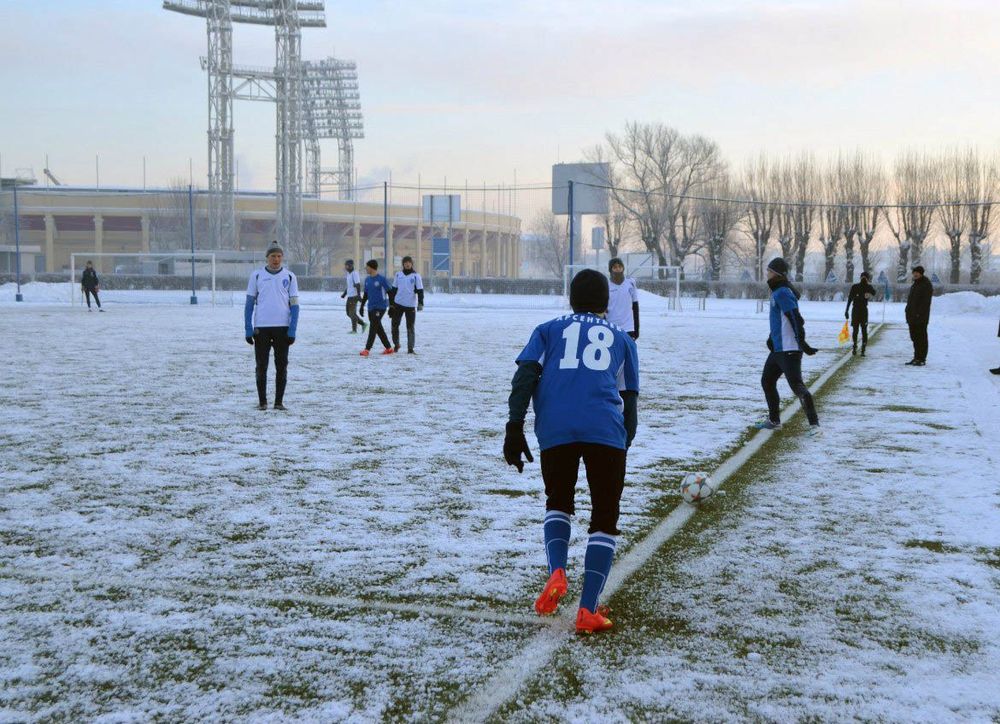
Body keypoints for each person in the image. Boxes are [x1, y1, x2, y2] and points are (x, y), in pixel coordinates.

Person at [504, 269, 639, 635]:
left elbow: (525, 376)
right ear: (606, 302)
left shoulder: (547, 329)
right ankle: (588, 610)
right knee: (604, 515)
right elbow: (630, 402)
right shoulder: (623, 340)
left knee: (558, 501)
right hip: (604, 429)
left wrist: (514, 425)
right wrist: (622, 443)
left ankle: (557, 573)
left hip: (556, 427)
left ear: (570, 298)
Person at [757, 258, 820, 435]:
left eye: (769, 271)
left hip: (789, 349)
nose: (766, 274)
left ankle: (815, 425)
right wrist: (772, 338)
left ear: (776, 274)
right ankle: (774, 420)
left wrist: (802, 343)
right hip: (778, 349)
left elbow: (794, 318)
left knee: (797, 387)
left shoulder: (783, 292)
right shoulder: (777, 291)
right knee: (767, 381)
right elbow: (780, 320)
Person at [244, 241, 299, 411]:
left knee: (281, 366)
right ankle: (262, 402)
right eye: (273, 256)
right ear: (267, 258)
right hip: (262, 328)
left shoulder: (290, 276)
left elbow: (295, 306)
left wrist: (292, 329)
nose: (276, 259)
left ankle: (278, 402)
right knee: (261, 366)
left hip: (282, 328)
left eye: (279, 256)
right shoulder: (257, 276)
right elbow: (249, 304)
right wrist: (248, 328)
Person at [389, 256, 424, 354]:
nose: (407, 264)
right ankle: (396, 344)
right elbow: (393, 290)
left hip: (410, 305)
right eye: (405, 262)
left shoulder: (416, 276)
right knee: (394, 325)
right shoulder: (398, 275)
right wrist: (391, 305)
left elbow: (420, 291)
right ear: (403, 264)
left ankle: (410, 348)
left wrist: (421, 302)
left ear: (412, 264)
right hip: (398, 304)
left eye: (409, 262)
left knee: (410, 327)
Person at [359, 259, 394, 357]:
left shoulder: (382, 279)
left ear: (371, 267)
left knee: (373, 327)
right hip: (371, 307)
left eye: (367, 267)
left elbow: (390, 293)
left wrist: (391, 306)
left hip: (380, 307)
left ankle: (367, 349)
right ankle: (389, 348)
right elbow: (366, 294)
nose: (366, 268)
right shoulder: (367, 279)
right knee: (378, 328)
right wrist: (362, 306)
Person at [905, 266, 933, 366]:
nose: (915, 274)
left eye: (917, 273)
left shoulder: (926, 284)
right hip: (912, 317)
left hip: (920, 317)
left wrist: (918, 314)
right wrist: (907, 311)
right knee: (914, 338)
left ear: (921, 273)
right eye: (914, 272)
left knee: (921, 338)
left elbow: (925, 302)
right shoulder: (915, 284)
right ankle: (916, 357)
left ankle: (921, 359)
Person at [844, 271, 877, 356]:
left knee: (864, 330)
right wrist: (846, 310)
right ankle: (855, 346)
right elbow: (850, 298)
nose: (863, 279)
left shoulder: (868, 287)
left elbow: (874, 293)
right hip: (855, 310)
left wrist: (868, 289)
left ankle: (863, 348)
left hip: (863, 310)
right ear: (860, 278)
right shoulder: (855, 287)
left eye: (865, 277)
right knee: (855, 330)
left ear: (867, 279)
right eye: (862, 277)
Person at [606, 257, 639, 340]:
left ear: (623, 268)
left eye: (620, 267)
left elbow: (635, 307)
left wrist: (636, 329)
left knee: (628, 352)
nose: (618, 269)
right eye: (615, 267)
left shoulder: (630, 282)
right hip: (611, 327)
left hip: (628, 328)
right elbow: (602, 309)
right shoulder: (606, 285)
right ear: (610, 270)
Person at [341, 259, 367, 334]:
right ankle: (363, 324)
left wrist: (359, 295)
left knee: (352, 313)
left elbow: (358, 284)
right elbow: (349, 286)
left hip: (354, 296)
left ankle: (354, 330)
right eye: (345, 265)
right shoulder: (348, 274)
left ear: (351, 266)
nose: (346, 267)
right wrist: (344, 293)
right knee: (348, 313)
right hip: (350, 296)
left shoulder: (354, 274)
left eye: (347, 265)